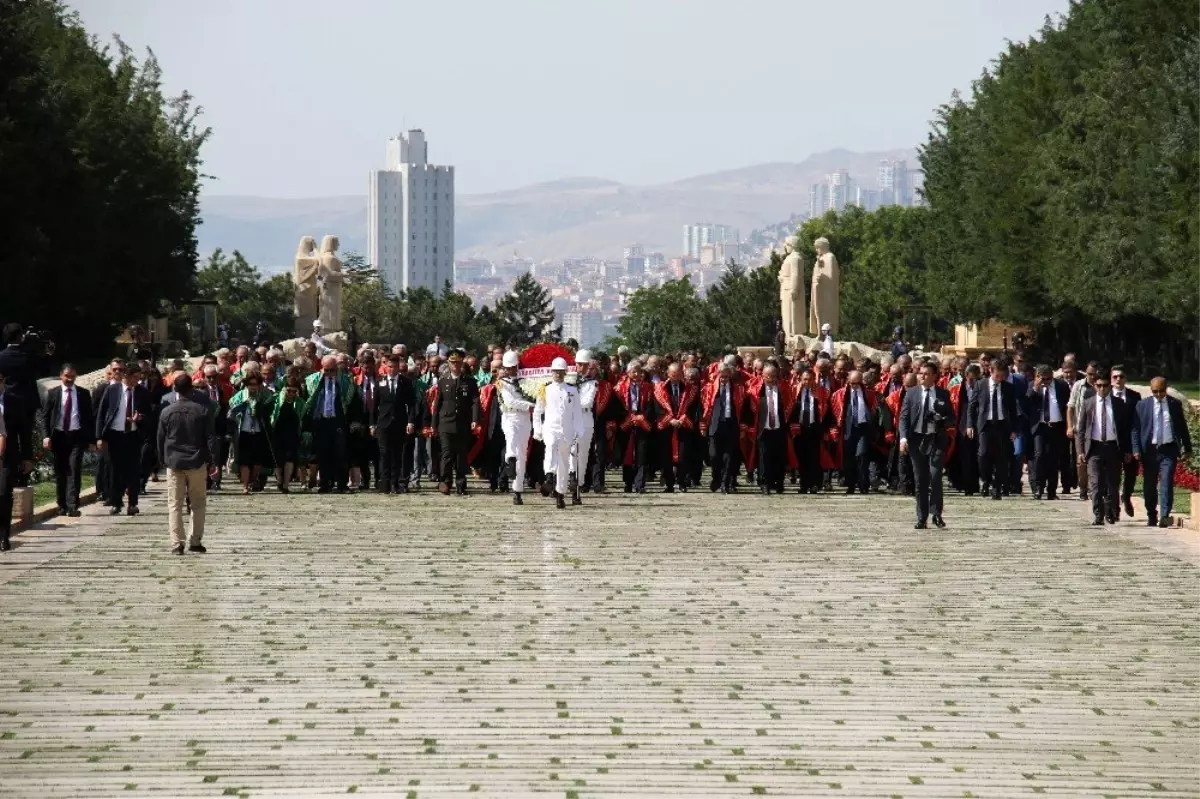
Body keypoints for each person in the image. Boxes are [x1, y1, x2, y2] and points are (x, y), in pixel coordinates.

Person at [157, 374, 212, 555]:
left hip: (174, 462)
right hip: (196, 461)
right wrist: (211, 460)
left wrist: (163, 459)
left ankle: (176, 543)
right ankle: (195, 540)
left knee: (174, 504)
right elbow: (209, 438)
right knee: (198, 503)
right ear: (192, 389)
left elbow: (160, 438)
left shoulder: (166, 411)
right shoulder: (201, 410)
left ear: (175, 389)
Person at [1133, 377, 1193, 528]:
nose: (1158, 394)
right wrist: (1136, 449)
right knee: (1149, 484)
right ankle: (1151, 514)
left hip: (1168, 449)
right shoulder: (1142, 405)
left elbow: (1182, 427)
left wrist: (1187, 447)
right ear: (1150, 389)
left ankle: (1164, 515)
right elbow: (1135, 430)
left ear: (1166, 388)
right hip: (1150, 451)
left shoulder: (1174, 404)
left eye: (1161, 391)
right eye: (1155, 391)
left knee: (1166, 481)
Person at [95, 361, 152, 516]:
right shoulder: (112, 390)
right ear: (126, 376)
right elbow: (102, 413)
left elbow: (150, 416)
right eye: (134, 377)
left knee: (133, 470)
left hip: (133, 436)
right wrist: (99, 437)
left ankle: (132, 503)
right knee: (115, 470)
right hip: (115, 435)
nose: (137, 381)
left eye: (139, 378)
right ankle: (116, 502)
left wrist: (140, 418)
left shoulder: (143, 392)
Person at [899, 362, 952, 529]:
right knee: (920, 478)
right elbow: (903, 418)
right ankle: (921, 517)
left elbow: (952, 418)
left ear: (934, 376)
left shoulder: (943, 394)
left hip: (936, 439)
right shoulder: (911, 393)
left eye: (926, 373)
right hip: (917, 440)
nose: (922, 376)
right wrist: (903, 438)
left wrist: (941, 420)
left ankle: (936, 514)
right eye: (920, 373)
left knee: (935, 476)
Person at [1075, 373, 1132, 525]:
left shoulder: (1119, 404)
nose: (1102, 389)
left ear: (1110, 386)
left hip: (1113, 447)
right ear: (1094, 386)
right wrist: (1080, 451)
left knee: (1113, 484)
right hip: (1095, 448)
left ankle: (1111, 512)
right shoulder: (1088, 403)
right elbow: (1081, 429)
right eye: (1098, 385)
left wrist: (1127, 450)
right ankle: (1098, 514)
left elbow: (1125, 430)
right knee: (1096, 483)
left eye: (1105, 386)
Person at [41, 363, 94, 517]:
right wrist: (46, 436)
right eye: (67, 376)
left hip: (76, 436)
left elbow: (89, 418)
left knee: (74, 469)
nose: (70, 379)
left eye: (72, 376)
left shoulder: (83, 394)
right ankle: (61, 504)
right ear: (61, 376)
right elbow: (45, 417)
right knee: (61, 471)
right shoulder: (52, 394)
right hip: (58, 436)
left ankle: (73, 506)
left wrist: (91, 439)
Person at [533, 357, 584, 509]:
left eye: (561, 371)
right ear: (551, 372)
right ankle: (549, 476)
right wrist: (538, 430)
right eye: (555, 371)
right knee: (550, 448)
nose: (558, 374)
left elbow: (577, 413)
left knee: (563, 463)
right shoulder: (545, 389)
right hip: (550, 428)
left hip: (567, 430)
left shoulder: (572, 390)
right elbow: (537, 412)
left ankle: (560, 494)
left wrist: (579, 431)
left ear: (565, 372)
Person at [303, 355, 356, 494]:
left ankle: (342, 484)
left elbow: (352, 403)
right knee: (323, 454)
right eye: (326, 370)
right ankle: (325, 484)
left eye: (332, 370)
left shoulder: (345, 381)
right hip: (320, 423)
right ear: (322, 368)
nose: (329, 373)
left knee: (340, 454)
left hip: (338, 421)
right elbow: (307, 403)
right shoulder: (313, 381)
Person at [967, 361, 1018, 500]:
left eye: (1002, 376)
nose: (999, 379)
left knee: (1001, 457)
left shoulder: (1008, 387)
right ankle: (985, 480)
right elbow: (972, 406)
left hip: (1002, 425)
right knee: (983, 454)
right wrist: (970, 425)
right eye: (997, 375)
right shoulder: (980, 384)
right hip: (985, 425)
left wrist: (1014, 429)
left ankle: (997, 487)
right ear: (991, 371)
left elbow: (1013, 410)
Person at [432, 351, 480, 495]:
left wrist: (474, 419)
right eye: (452, 362)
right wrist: (434, 425)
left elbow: (475, 402)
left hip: (462, 422)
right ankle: (445, 482)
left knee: (461, 455)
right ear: (448, 363)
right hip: (445, 422)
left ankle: (460, 483)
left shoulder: (470, 382)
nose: (455, 365)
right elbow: (437, 404)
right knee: (446, 454)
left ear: (461, 363)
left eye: (458, 362)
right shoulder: (443, 381)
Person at [372, 353, 418, 494]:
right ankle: (384, 484)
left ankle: (395, 483)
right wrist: (372, 424)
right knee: (384, 454)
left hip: (399, 422)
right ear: (386, 367)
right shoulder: (380, 382)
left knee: (397, 455)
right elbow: (374, 406)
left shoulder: (406, 382)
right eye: (390, 367)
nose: (392, 369)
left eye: (395, 367)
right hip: (383, 423)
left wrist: (410, 421)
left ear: (399, 367)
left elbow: (411, 404)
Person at [0, 370, 34, 550]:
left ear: (3, 382)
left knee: (4, 493)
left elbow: (24, 431)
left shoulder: (14, 401)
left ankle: (4, 535)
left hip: (8, 454)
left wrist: (27, 457)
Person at [496, 350, 535, 505]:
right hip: (509, 416)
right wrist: (531, 406)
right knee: (511, 440)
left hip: (524, 418)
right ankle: (509, 460)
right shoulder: (502, 383)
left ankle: (517, 491)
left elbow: (534, 394)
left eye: (513, 367)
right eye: (508, 367)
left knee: (522, 454)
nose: (511, 370)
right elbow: (510, 401)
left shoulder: (526, 381)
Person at [654, 362, 699, 493]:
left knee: (684, 456)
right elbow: (658, 408)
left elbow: (693, 407)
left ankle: (682, 482)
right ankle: (669, 484)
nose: (676, 377)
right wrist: (671, 420)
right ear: (668, 374)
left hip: (684, 426)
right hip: (667, 427)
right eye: (673, 374)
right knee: (666, 457)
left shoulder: (689, 389)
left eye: (678, 374)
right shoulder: (660, 388)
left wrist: (683, 418)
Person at [749, 363, 794, 495]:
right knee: (764, 457)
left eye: (775, 376)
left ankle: (779, 483)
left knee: (779, 457)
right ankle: (764, 484)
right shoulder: (757, 391)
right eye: (769, 376)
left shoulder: (783, 390)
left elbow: (789, 407)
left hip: (779, 429)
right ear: (763, 376)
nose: (773, 379)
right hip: (764, 429)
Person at [1028, 365, 1070, 500]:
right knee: (1039, 456)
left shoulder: (1061, 386)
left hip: (1056, 426)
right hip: (1040, 426)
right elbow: (1027, 400)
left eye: (1048, 379)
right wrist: (1036, 387)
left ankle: (1052, 490)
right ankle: (1038, 488)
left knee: (1054, 458)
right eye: (1043, 379)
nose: (1046, 382)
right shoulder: (1032, 386)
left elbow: (1067, 406)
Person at [831, 371, 876, 494]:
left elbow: (875, 409)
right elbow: (834, 412)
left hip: (862, 428)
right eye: (852, 383)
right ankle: (850, 484)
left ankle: (863, 485)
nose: (854, 386)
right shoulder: (840, 394)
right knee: (849, 458)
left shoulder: (869, 394)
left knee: (861, 455)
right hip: (847, 429)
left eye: (857, 383)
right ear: (848, 382)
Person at [228, 373, 273, 495]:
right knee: (244, 461)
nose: (253, 387)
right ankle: (245, 486)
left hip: (259, 432)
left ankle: (253, 480)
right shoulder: (240, 396)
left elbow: (270, 407)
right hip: (244, 431)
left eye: (256, 384)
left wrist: (259, 407)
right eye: (250, 384)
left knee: (257, 462)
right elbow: (232, 408)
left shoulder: (264, 395)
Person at [616, 361, 654, 493]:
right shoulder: (620, 387)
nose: (637, 374)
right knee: (627, 453)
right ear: (628, 373)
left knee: (641, 454)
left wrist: (643, 416)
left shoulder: (648, 387)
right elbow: (618, 406)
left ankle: (640, 484)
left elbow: (651, 405)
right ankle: (628, 482)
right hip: (627, 422)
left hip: (642, 421)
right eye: (634, 371)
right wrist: (628, 417)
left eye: (639, 371)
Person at [1109, 366, 1141, 517]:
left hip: (1129, 441)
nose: (1118, 380)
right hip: (1111, 442)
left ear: (1125, 379)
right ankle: (1114, 507)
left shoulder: (1135, 397)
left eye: (1121, 377)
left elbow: (1136, 423)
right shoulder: (1106, 395)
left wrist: (1132, 447)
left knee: (1130, 474)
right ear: (1111, 379)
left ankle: (1126, 497)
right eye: (1115, 377)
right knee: (1113, 476)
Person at [793, 368, 828, 494]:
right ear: (801, 380)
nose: (807, 382)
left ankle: (815, 484)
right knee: (802, 459)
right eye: (804, 379)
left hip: (814, 428)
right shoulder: (795, 392)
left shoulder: (822, 392)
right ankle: (804, 484)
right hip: (800, 429)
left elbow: (827, 412)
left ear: (814, 379)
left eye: (810, 379)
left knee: (814, 458)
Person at [270, 376, 304, 493]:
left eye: (294, 391)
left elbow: (304, 417)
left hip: (292, 434)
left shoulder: (300, 403)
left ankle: (285, 484)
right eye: (289, 390)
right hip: (277, 433)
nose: (291, 393)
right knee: (277, 459)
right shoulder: (275, 399)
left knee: (290, 458)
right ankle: (279, 480)